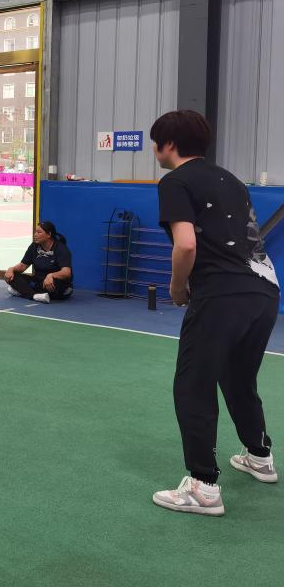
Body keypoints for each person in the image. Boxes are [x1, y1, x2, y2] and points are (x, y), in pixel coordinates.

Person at [148, 110, 279, 517]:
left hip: (222, 294)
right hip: (265, 291)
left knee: (193, 383)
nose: (154, 150)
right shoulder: (231, 180)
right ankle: (260, 456)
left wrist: (177, 288)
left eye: (155, 143)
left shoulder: (175, 181)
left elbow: (186, 244)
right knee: (238, 378)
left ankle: (203, 487)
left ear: (168, 144)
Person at [4, 221, 73, 303]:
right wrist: (11, 269)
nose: (35, 235)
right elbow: (22, 266)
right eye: (35, 232)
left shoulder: (61, 249)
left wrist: (51, 275)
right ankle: (35, 296)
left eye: (39, 232)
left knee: (54, 285)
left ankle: (24, 292)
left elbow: (66, 272)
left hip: (55, 282)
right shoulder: (34, 246)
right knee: (13, 276)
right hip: (38, 281)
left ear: (48, 234)